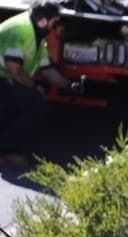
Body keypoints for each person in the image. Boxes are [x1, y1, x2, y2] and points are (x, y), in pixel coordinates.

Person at [0, 1, 73, 167]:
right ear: (43, 21)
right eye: (54, 21)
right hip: (4, 78)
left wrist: (69, 85)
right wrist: (33, 88)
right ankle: (6, 152)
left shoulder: (36, 34)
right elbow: (14, 69)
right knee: (33, 104)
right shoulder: (21, 31)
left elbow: (47, 69)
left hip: (5, 78)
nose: (54, 26)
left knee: (27, 100)